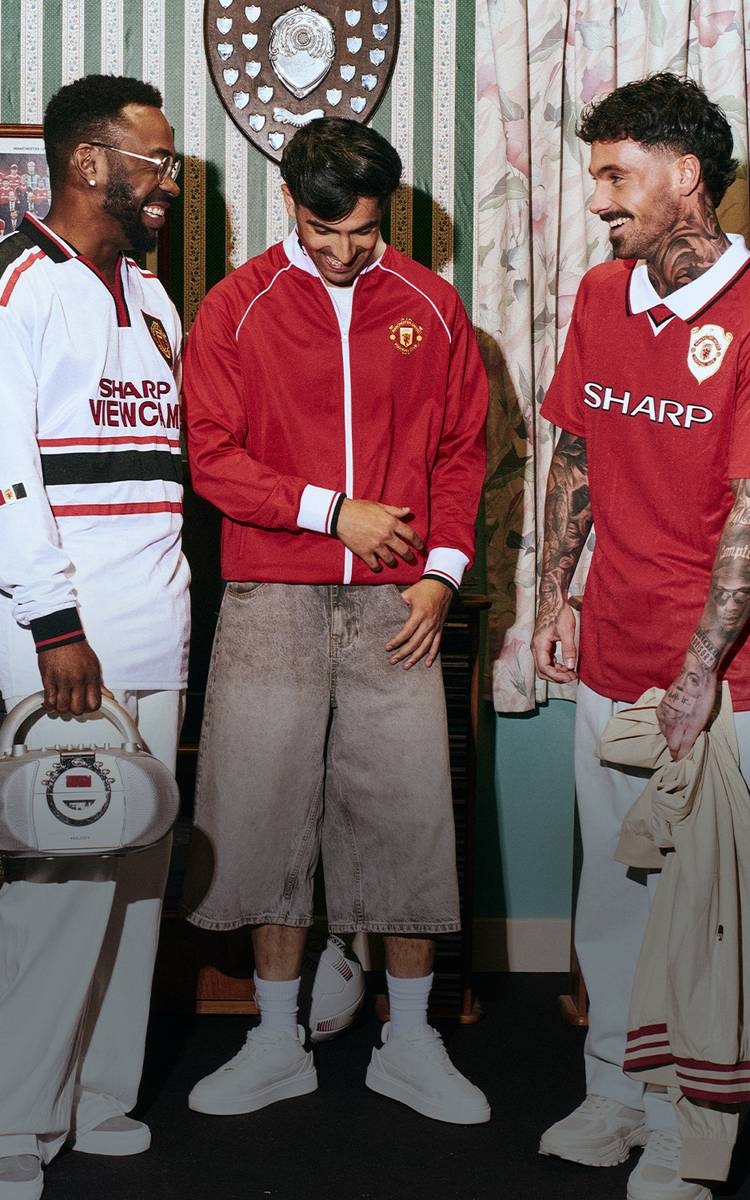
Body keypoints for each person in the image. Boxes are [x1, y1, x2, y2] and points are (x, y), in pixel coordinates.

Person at [181, 117, 489, 1125]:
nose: (346, 250)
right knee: (264, 811)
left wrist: (442, 575)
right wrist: (331, 510)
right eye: (325, 231)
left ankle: (411, 1042)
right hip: (271, 591)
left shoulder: (431, 305)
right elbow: (211, 456)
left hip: (399, 600)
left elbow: (461, 451)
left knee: (408, 814)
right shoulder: (235, 306)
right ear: (290, 204)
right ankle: (276, 1040)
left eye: (363, 231)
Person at [532, 73, 750, 1200]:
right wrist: (551, 594)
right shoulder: (600, 293)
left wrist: (703, 668)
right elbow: (575, 446)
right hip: (610, 648)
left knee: (700, 913)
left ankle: (684, 1131)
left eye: (617, 176)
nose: (599, 199)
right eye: (595, 175)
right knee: (615, 891)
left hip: (721, 677)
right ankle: (614, 1091)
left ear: (685, 173)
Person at [0, 74, 189, 1200]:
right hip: (68, 648)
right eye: (154, 163)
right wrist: (54, 624)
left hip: (157, 631)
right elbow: (7, 478)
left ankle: (98, 1098)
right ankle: (14, 1122)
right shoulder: (20, 286)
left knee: (137, 879)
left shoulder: (155, 298)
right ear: (88, 164)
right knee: (63, 883)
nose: (169, 183)